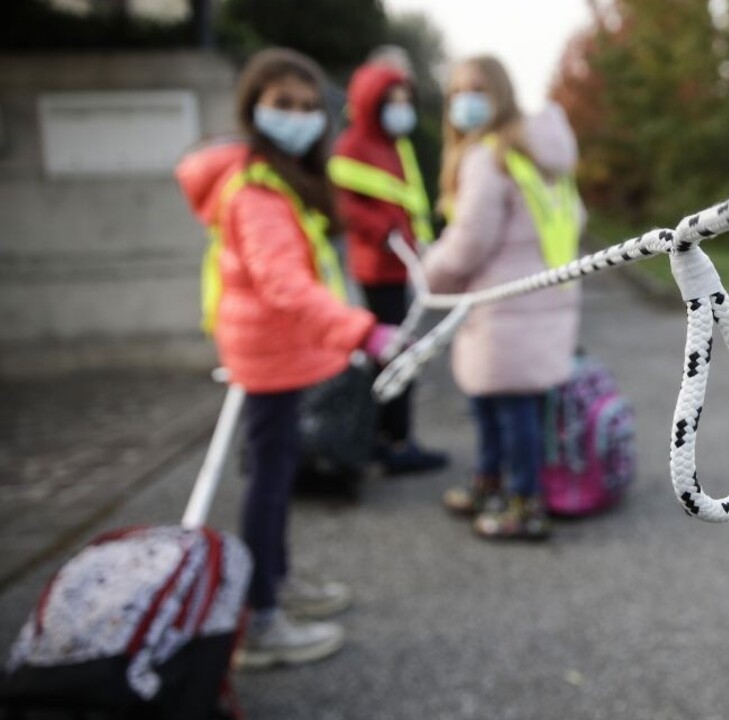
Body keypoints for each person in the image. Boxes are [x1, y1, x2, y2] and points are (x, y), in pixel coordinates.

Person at [176, 48, 398, 668]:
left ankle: (274, 580)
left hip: (279, 348)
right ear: (253, 109)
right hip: (268, 353)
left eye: (307, 106)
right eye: (283, 105)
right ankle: (260, 617)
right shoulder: (256, 191)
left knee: (276, 475)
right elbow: (284, 284)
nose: (298, 117)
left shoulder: (279, 180)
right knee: (270, 483)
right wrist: (360, 331)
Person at [426, 55, 583, 540]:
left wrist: (430, 273)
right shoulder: (538, 154)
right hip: (544, 297)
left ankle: (521, 502)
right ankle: (493, 484)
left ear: (501, 93)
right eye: (457, 92)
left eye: (477, 90)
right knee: (509, 406)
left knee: (506, 410)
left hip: (505, 305)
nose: (465, 101)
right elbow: (574, 219)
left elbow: (470, 241)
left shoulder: (487, 157)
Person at [330, 60, 450, 476]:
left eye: (405, 100)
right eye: (392, 101)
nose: (402, 109)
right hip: (379, 269)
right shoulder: (354, 146)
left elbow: (406, 201)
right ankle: (393, 444)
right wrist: (382, 230)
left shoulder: (394, 146)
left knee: (397, 352)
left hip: (402, 266)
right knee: (395, 354)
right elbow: (343, 204)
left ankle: (386, 439)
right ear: (372, 103)